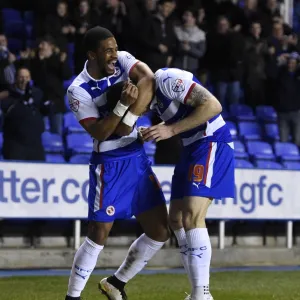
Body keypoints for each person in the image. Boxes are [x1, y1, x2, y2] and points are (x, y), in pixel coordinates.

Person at [109, 68, 234, 300]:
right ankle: (198, 293)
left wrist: (170, 129)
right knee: (175, 220)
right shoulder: (154, 101)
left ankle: (201, 294)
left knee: (192, 217)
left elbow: (214, 106)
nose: (139, 110)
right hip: (190, 148)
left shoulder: (168, 80)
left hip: (211, 142)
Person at [65, 26, 170, 300]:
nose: (114, 55)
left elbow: (147, 78)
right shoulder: (77, 90)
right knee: (98, 232)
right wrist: (122, 107)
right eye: (107, 50)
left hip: (136, 156)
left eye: (114, 48)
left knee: (160, 231)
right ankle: (72, 297)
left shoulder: (122, 58)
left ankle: (116, 282)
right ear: (92, 54)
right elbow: (99, 132)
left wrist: (127, 122)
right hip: (109, 163)